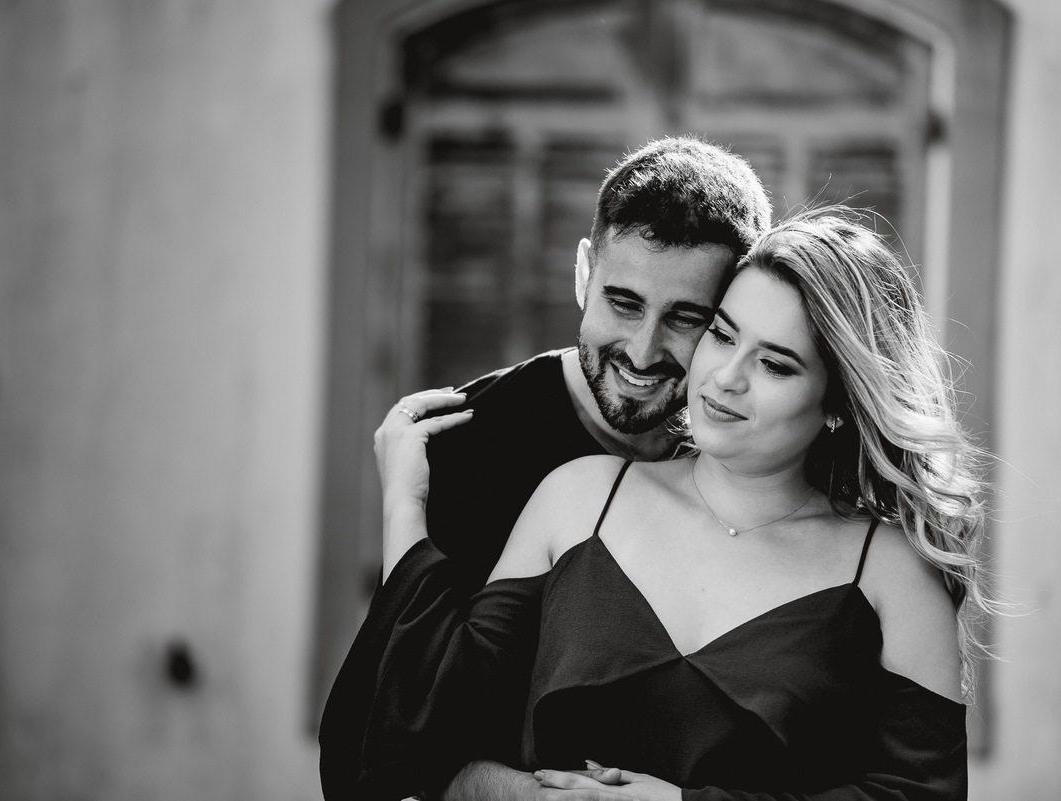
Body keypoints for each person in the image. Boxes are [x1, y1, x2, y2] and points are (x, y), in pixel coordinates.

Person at [375, 208, 988, 800]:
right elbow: (426, 733)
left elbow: (919, 792)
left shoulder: (892, 572)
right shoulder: (579, 498)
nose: (726, 377)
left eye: (775, 364)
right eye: (721, 335)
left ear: (838, 403)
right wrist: (405, 505)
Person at [319, 137, 773, 801]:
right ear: (584, 272)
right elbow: (371, 745)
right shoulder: (469, 444)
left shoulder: (758, 455)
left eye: (686, 317)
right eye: (623, 303)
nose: (643, 350)